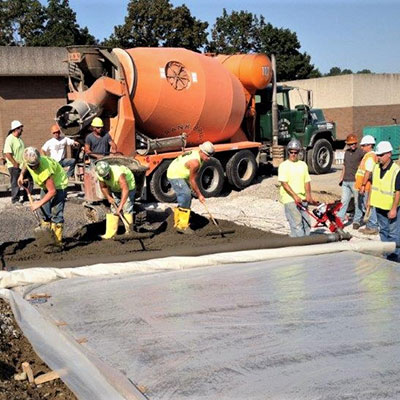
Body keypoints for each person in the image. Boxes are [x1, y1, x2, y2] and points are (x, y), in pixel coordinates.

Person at [18, 147, 68, 244]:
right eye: (32, 166)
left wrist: (38, 203)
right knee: (44, 213)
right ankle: (47, 238)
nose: (35, 167)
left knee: (56, 214)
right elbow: (25, 165)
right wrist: (21, 175)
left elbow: (52, 191)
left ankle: (57, 242)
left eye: (36, 165)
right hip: (46, 186)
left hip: (59, 184)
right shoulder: (28, 160)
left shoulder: (44, 170)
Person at [167, 141, 215, 233]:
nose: (208, 158)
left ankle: (180, 215)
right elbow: (192, 180)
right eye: (207, 155)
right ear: (201, 151)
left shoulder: (197, 154)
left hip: (178, 170)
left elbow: (192, 178)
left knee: (186, 196)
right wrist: (199, 195)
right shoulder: (195, 162)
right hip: (175, 174)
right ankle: (181, 226)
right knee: (186, 195)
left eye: (210, 156)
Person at [369, 141, 400, 261]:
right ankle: (387, 255)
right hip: (379, 206)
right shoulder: (376, 167)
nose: (378, 157)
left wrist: (393, 209)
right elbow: (373, 185)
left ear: (389, 154)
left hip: (392, 208)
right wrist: (369, 202)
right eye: (378, 155)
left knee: (393, 234)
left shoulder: (396, 170)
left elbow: (398, 191)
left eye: (381, 155)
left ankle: (395, 258)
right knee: (383, 231)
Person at [278, 138, 316, 237]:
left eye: (296, 152)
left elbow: (307, 181)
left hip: (302, 198)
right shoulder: (283, 166)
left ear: (299, 152)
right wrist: (295, 196)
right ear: (288, 152)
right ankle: (301, 245)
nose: (293, 154)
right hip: (290, 199)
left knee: (307, 223)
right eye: (291, 152)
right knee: (297, 223)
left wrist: (308, 195)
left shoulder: (303, 165)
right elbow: (284, 183)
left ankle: (305, 241)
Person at [95, 161, 136, 239]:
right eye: (104, 177)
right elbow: (103, 187)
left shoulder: (119, 174)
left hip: (128, 186)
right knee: (113, 209)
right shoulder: (100, 175)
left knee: (127, 207)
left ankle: (129, 232)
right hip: (115, 187)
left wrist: (120, 206)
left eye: (107, 175)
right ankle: (110, 233)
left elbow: (125, 190)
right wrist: (109, 197)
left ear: (109, 170)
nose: (106, 178)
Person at [337, 133, 364, 229]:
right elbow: (344, 166)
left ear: (356, 143)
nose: (352, 145)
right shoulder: (347, 153)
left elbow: (366, 161)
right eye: (350, 144)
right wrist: (341, 177)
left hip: (355, 181)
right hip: (346, 181)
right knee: (344, 201)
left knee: (357, 202)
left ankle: (357, 220)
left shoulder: (360, 152)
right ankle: (339, 220)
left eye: (354, 143)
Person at [3, 120, 33, 204]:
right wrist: (14, 163)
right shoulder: (10, 139)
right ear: (16, 129)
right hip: (14, 166)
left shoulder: (19, 139)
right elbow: (7, 153)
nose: (22, 130)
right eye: (20, 128)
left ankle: (26, 197)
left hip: (23, 165)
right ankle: (15, 200)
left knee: (29, 180)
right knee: (15, 182)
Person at [355, 135, 379, 235]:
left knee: (368, 206)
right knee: (366, 206)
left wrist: (363, 185)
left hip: (366, 186)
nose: (362, 147)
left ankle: (372, 225)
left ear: (369, 145)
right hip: (363, 185)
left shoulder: (370, 157)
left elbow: (368, 172)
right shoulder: (368, 155)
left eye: (363, 145)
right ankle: (370, 224)